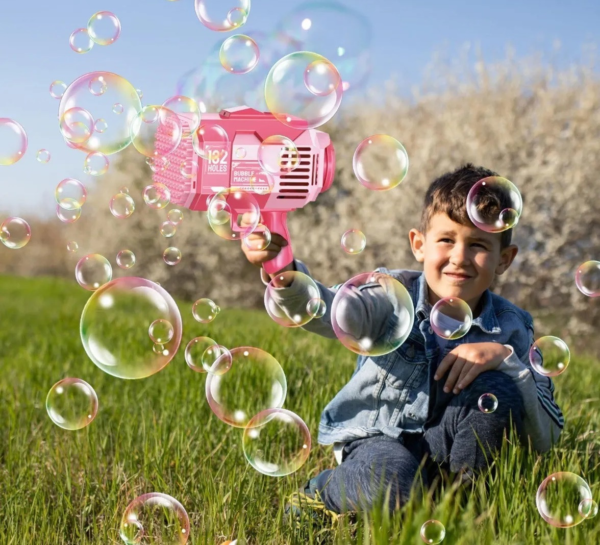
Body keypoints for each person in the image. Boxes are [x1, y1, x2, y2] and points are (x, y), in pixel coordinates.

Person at [240, 163, 564, 521]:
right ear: (418, 244)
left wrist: (505, 360)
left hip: (449, 446)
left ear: (504, 259)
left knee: (499, 390)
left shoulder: (512, 327)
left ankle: (461, 507)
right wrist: (284, 275)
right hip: (379, 442)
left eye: (478, 245)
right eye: (446, 240)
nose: (459, 257)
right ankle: (323, 493)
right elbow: (327, 310)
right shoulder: (390, 295)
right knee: (394, 479)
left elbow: (547, 436)